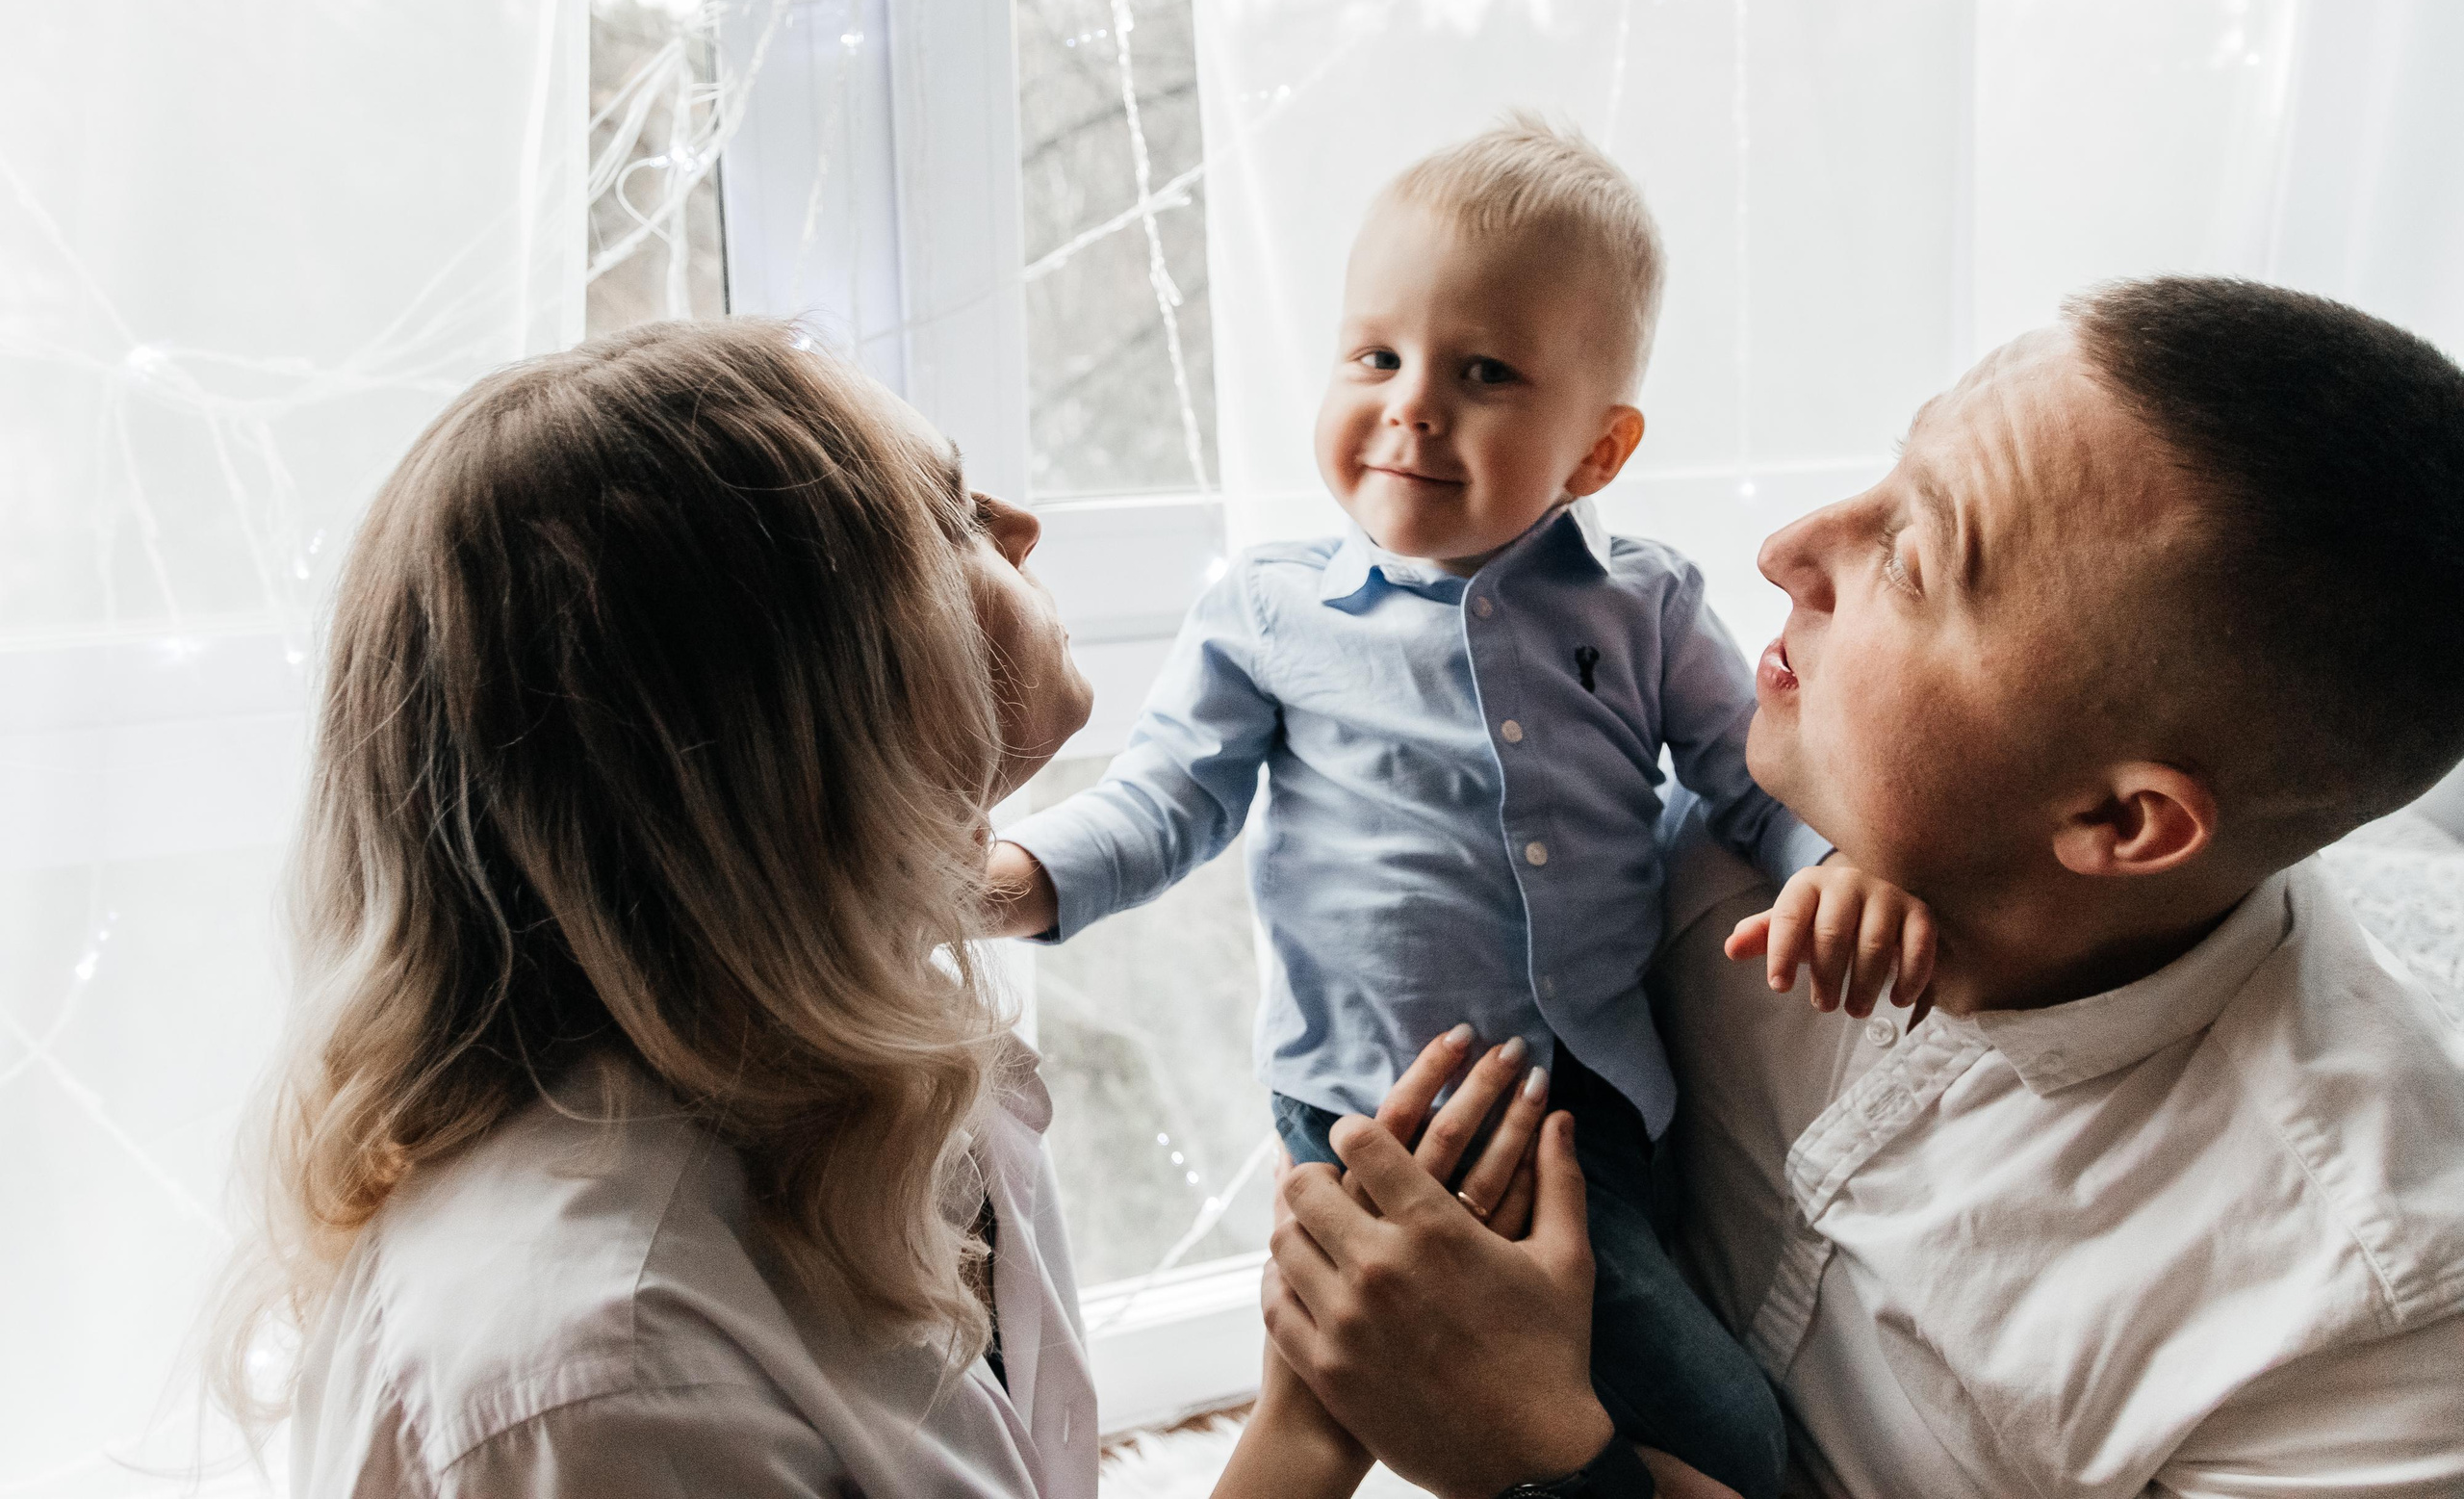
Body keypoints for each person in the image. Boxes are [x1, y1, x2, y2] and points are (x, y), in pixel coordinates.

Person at [205, 320, 1701, 1499]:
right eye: (948, 513)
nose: (1029, 523)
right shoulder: (614, 1377)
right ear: (798, 690)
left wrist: (1312, 1414)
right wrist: (1529, 1456)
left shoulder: (903, 1094)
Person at [1265, 277, 2464, 1497]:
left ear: (2117, 820)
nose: (1786, 551)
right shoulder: (1711, 813)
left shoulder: (2366, 1327)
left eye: (1913, 558)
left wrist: (1542, 1461)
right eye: (1888, 469)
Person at [983, 116, 1930, 1499]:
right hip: (1356, 1103)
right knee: (1314, 1414)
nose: (1413, 403)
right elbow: (1169, 796)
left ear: (1598, 451)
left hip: (1580, 1115)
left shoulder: (1646, 602)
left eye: (1484, 372)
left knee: (1723, 1433)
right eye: (1376, 356)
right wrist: (1020, 874)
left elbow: (1750, 773)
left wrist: (1837, 862)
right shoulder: (1269, 607)